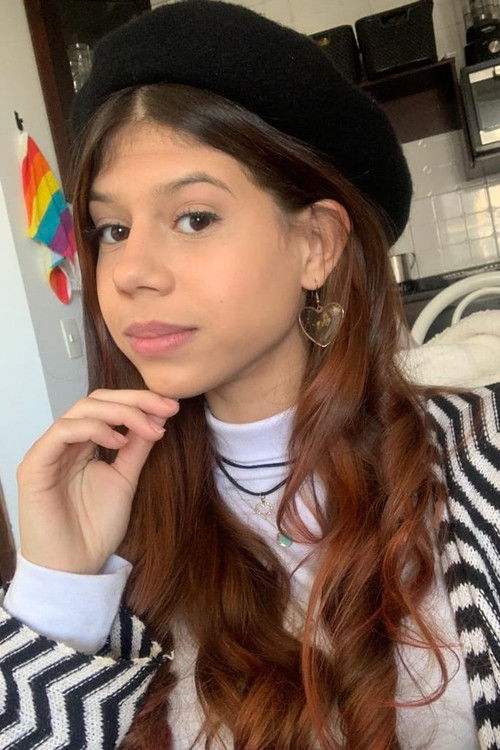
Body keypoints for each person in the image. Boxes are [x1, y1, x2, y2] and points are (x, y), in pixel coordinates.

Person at [1, 2, 499, 749]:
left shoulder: (478, 458)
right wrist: (59, 592)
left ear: (316, 245)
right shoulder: (115, 519)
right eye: (113, 229)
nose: (130, 272)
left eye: (194, 218)